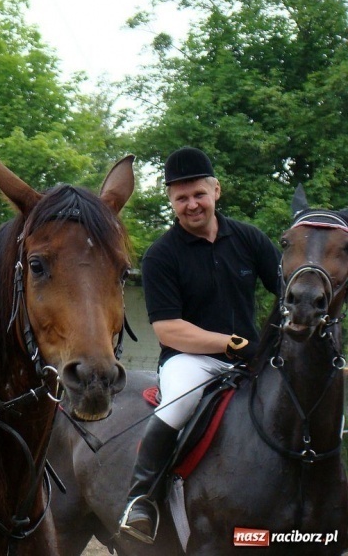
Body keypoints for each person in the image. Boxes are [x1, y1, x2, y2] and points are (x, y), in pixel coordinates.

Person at [118, 147, 280, 543]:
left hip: (252, 359)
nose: (192, 205)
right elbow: (169, 330)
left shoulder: (250, 238)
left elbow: (289, 292)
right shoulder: (161, 255)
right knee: (179, 404)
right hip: (190, 360)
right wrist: (230, 343)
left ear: (216, 190)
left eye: (198, 195)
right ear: (172, 202)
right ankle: (141, 499)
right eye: (181, 198)